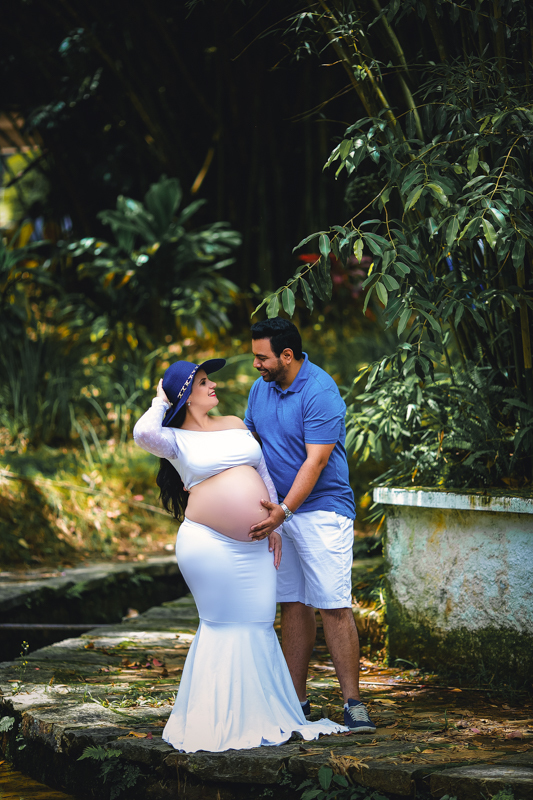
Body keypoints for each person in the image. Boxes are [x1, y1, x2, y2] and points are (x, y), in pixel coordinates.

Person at [132, 357, 348, 753]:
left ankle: (263, 714)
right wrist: (161, 399)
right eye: (201, 382)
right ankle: (216, 719)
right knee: (223, 625)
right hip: (208, 546)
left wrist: (276, 524)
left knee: (259, 623)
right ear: (183, 395)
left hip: (256, 546)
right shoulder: (172, 438)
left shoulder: (233, 423)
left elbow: (262, 471)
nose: (212, 384)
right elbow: (141, 432)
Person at [244, 317, 376, 734]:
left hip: (322, 510)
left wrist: (284, 510)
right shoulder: (260, 388)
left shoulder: (320, 390)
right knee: (293, 604)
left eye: (261, 357)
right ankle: (294, 701)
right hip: (280, 511)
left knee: (333, 604)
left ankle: (353, 703)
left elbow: (315, 462)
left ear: (287, 355)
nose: (256, 366)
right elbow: (251, 446)